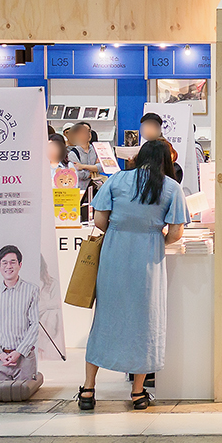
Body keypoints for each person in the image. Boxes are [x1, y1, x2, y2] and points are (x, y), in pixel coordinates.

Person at [80, 139, 188, 410]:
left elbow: (99, 221)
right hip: (148, 259)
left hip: (114, 255)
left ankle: (88, 389)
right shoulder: (171, 187)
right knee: (146, 322)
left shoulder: (117, 180)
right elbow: (176, 233)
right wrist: (154, 239)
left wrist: (120, 231)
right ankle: (138, 393)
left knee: (105, 320)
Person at [0, 245, 42, 382]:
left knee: (25, 395)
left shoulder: (32, 291)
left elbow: (35, 324)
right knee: (0, 394)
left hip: (25, 358)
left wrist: (19, 352)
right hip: (0, 360)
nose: (8, 266)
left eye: (12, 262)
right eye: (4, 262)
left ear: (20, 265)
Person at [65, 121, 101, 196]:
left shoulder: (97, 150)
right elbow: (77, 173)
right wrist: (92, 171)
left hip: (97, 189)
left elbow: (101, 167)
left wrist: (83, 166)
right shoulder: (73, 153)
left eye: (88, 132)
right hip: (81, 190)